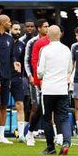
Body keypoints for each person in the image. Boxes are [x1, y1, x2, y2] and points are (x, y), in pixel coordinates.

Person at [37, 25, 72, 155]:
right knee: (63, 118)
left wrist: (43, 75)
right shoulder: (66, 50)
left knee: (47, 118)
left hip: (48, 89)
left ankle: (50, 147)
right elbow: (69, 69)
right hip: (62, 89)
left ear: (48, 36)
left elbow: (40, 72)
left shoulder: (44, 50)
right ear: (60, 35)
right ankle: (66, 142)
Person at [0, 15, 20, 144]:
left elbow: (12, 55)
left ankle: (1, 135)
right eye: (8, 22)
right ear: (1, 23)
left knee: (4, 106)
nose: (10, 23)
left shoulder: (9, 39)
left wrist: (15, 62)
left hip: (7, 76)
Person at [26, 18, 49, 146]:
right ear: (39, 28)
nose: (47, 28)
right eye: (45, 26)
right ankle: (31, 131)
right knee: (36, 106)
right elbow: (29, 60)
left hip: (50, 80)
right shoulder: (32, 42)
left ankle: (47, 131)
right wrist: (30, 75)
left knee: (49, 107)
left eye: (48, 26)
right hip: (36, 79)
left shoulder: (52, 42)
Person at [10, 22, 27, 142]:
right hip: (4, 77)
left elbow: (24, 62)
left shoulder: (22, 44)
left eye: (19, 29)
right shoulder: (4, 42)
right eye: (15, 29)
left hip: (17, 78)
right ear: (10, 29)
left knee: (20, 104)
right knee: (0, 106)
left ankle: (21, 135)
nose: (18, 31)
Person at [19, 19, 35, 128]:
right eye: (27, 26)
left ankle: (32, 128)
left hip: (35, 76)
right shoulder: (20, 41)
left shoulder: (36, 41)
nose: (29, 28)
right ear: (24, 28)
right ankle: (22, 128)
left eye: (31, 26)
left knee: (34, 103)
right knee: (24, 101)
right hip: (23, 76)